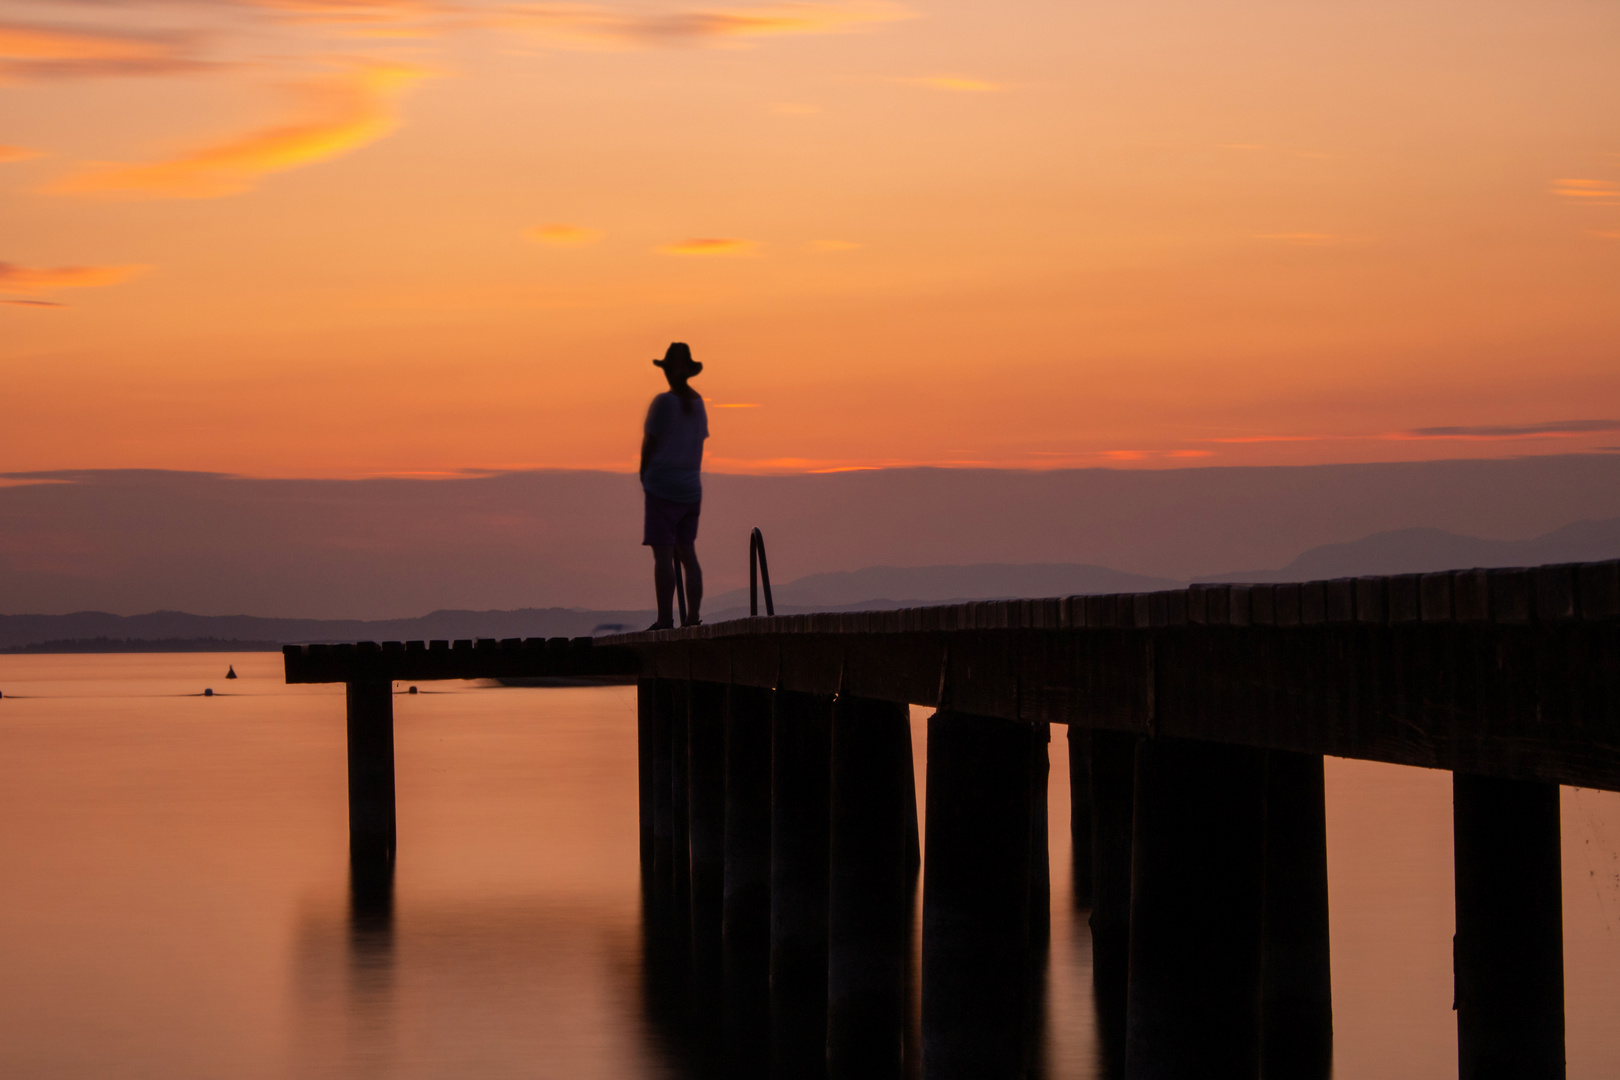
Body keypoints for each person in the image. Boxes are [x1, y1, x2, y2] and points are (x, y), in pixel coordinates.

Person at [640, 342, 708, 629]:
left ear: (668, 371)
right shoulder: (698, 403)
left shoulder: (663, 403)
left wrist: (644, 476)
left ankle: (665, 619)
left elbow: (649, 445)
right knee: (688, 555)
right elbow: (699, 444)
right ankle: (692, 619)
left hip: (662, 489)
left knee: (663, 556)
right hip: (691, 490)